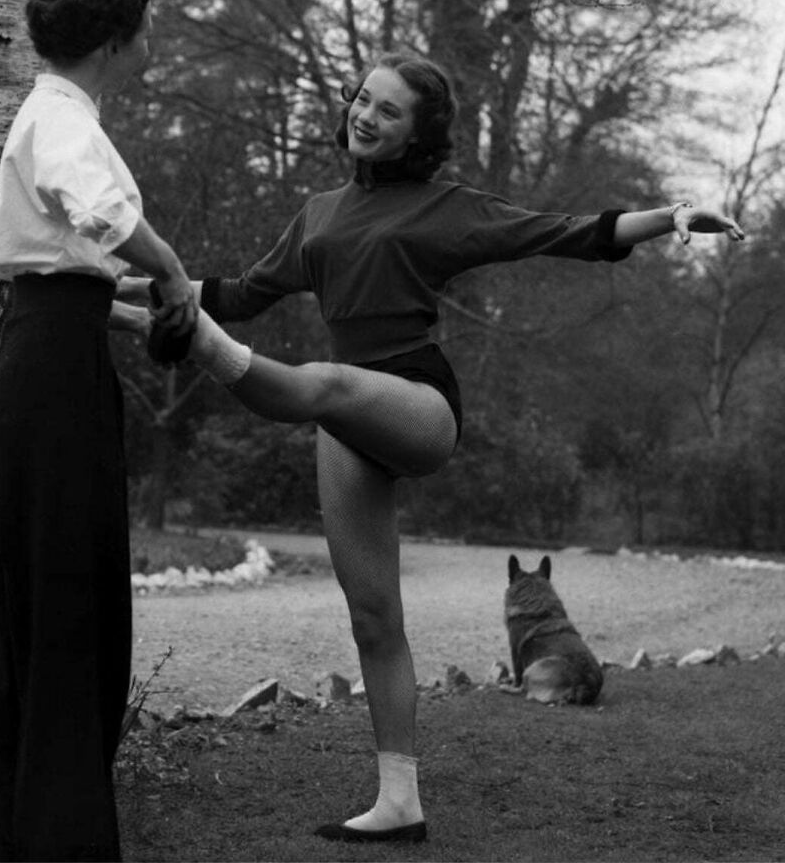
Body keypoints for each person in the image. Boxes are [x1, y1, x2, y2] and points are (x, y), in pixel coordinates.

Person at [123, 52, 743, 844]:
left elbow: (568, 232)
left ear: (417, 135)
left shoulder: (446, 208)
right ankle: (399, 804)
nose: (365, 115)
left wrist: (672, 215)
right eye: (362, 99)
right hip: (344, 418)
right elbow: (239, 294)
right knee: (373, 617)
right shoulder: (317, 213)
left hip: (416, 401)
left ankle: (192, 346)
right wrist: (126, 286)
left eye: (388, 110)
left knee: (324, 384)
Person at [0, 0, 195, 862]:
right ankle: (60, 845)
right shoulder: (61, 116)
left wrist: (137, 309)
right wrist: (168, 267)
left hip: (50, 360)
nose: (151, 37)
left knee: (45, 617)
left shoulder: (58, 112)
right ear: (113, 40)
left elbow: (61, 273)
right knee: (64, 619)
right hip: (50, 390)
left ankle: (26, 838)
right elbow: (96, 211)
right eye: (146, 24)